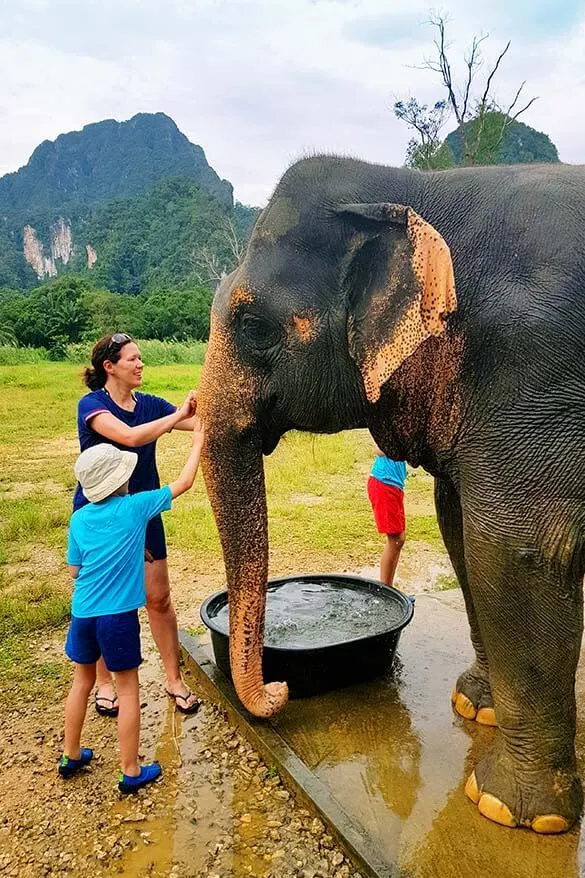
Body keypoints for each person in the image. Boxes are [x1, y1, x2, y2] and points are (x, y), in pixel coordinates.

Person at [60, 423, 204, 792]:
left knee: (82, 682)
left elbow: (77, 570)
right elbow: (184, 482)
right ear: (122, 480)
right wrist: (199, 440)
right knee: (128, 691)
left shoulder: (79, 518)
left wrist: (125, 551)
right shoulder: (136, 507)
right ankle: (130, 770)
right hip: (117, 619)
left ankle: (70, 753)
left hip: (83, 614)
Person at [74, 332, 200, 717]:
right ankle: (105, 683)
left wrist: (206, 409)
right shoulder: (92, 405)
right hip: (100, 518)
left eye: (141, 357)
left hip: (142, 513)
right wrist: (177, 415)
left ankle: (174, 680)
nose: (140, 364)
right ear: (109, 367)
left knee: (159, 599)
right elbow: (128, 436)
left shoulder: (148, 405)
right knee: (99, 602)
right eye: (132, 359)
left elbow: (197, 424)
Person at [367, 447, 407, 587]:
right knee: (396, 539)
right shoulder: (387, 429)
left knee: (398, 540)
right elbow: (378, 449)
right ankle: (386, 590)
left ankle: (388, 588)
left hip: (393, 485)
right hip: (384, 483)